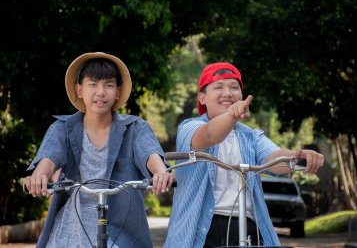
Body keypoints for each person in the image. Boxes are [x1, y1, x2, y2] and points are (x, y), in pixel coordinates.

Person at [164, 62, 324, 248]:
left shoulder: (251, 137)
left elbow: (275, 159)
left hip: (246, 226)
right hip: (200, 230)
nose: (228, 93)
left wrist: (299, 156)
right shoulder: (189, 128)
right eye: (218, 87)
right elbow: (210, 135)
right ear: (202, 98)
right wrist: (232, 115)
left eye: (234, 87)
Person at [23, 52, 174, 248]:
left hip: (120, 228)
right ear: (79, 90)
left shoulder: (135, 127)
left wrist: (160, 172)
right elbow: (49, 157)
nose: (101, 92)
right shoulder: (62, 128)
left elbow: (149, 152)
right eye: (92, 84)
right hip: (71, 228)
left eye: (109, 85)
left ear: (118, 91)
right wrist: (39, 176)